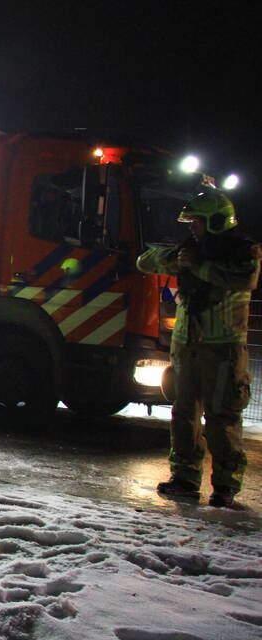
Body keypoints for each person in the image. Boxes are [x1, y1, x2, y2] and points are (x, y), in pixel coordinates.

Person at [135, 187, 259, 507]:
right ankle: (185, 480)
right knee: (184, 415)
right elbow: (144, 262)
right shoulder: (188, 250)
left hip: (222, 352)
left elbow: (242, 279)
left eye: (196, 222)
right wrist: (175, 260)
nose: (191, 228)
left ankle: (225, 486)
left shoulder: (243, 252)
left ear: (216, 221)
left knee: (221, 418)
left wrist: (199, 267)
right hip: (186, 348)